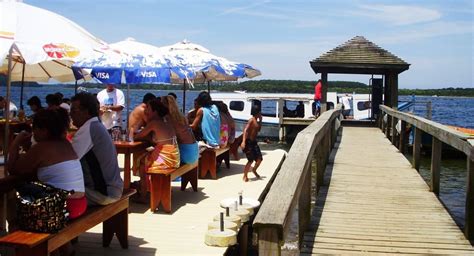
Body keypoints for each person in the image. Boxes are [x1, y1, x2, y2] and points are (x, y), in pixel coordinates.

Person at [8, 108, 87, 219]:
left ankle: (14, 230)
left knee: (12, 195)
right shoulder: (66, 144)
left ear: (44, 131)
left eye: (34, 128)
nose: (33, 132)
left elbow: (12, 168)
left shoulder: (42, 148)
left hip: (61, 206)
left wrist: (16, 142)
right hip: (79, 204)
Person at [70, 92, 123, 205]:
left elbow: (67, 162)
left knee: (51, 192)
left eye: (74, 111)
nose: (70, 114)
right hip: (114, 189)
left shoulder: (88, 129)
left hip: (102, 194)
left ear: (86, 112)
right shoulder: (97, 125)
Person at [134, 99, 180, 202]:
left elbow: (137, 136)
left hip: (167, 159)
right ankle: (147, 189)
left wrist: (136, 127)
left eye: (148, 109)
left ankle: (144, 195)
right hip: (174, 156)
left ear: (154, 111)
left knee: (141, 162)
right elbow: (157, 139)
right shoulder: (166, 121)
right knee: (145, 157)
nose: (145, 111)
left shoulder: (154, 123)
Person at [162, 95, 198, 165]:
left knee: (158, 159)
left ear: (165, 105)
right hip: (194, 150)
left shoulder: (168, 118)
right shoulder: (181, 116)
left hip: (187, 154)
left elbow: (167, 138)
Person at [241, 104, 263, 182]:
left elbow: (259, 129)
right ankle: (245, 175)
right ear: (257, 112)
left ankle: (254, 170)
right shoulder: (251, 120)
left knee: (259, 159)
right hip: (248, 142)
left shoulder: (256, 121)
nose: (260, 113)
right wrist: (243, 142)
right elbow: (245, 130)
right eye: (259, 112)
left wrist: (260, 120)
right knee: (250, 160)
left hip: (254, 142)